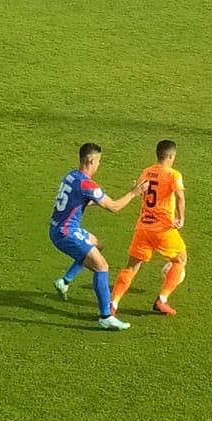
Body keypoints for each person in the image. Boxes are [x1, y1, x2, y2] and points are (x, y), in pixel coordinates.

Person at [49, 142, 144, 331]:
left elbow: (76, 200)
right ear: (91, 160)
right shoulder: (88, 184)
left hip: (58, 227)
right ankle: (105, 317)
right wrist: (134, 193)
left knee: (94, 243)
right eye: (99, 161)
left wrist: (96, 200)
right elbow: (115, 207)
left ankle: (64, 281)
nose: (99, 165)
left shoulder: (71, 176)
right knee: (102, 266)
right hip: (66, 233)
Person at [109, 139, 188, 318]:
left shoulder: (146, 172)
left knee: (131, 267)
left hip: (143, 226)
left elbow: (140, 192)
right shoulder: (173, 174)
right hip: (163, 228)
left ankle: (113, 304)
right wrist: (181, 218)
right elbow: (180, 196)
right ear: (170, 156)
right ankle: (162, 299)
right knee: (180, 260)